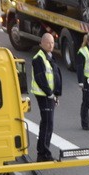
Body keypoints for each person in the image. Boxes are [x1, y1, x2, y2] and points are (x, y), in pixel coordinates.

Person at [31, 32, 62, 162]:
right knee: (47, 124)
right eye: (48, 43)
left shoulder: (49, 56)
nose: (51, 45)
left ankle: (44, 152)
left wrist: (56, 94)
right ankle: (43, 153)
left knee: (49, 124)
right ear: (42, 43)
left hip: (49, 95)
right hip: (44, 95)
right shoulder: (39, 58)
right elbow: (40, 78)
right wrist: (50, 94)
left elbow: (55, 75)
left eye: (52, 43)